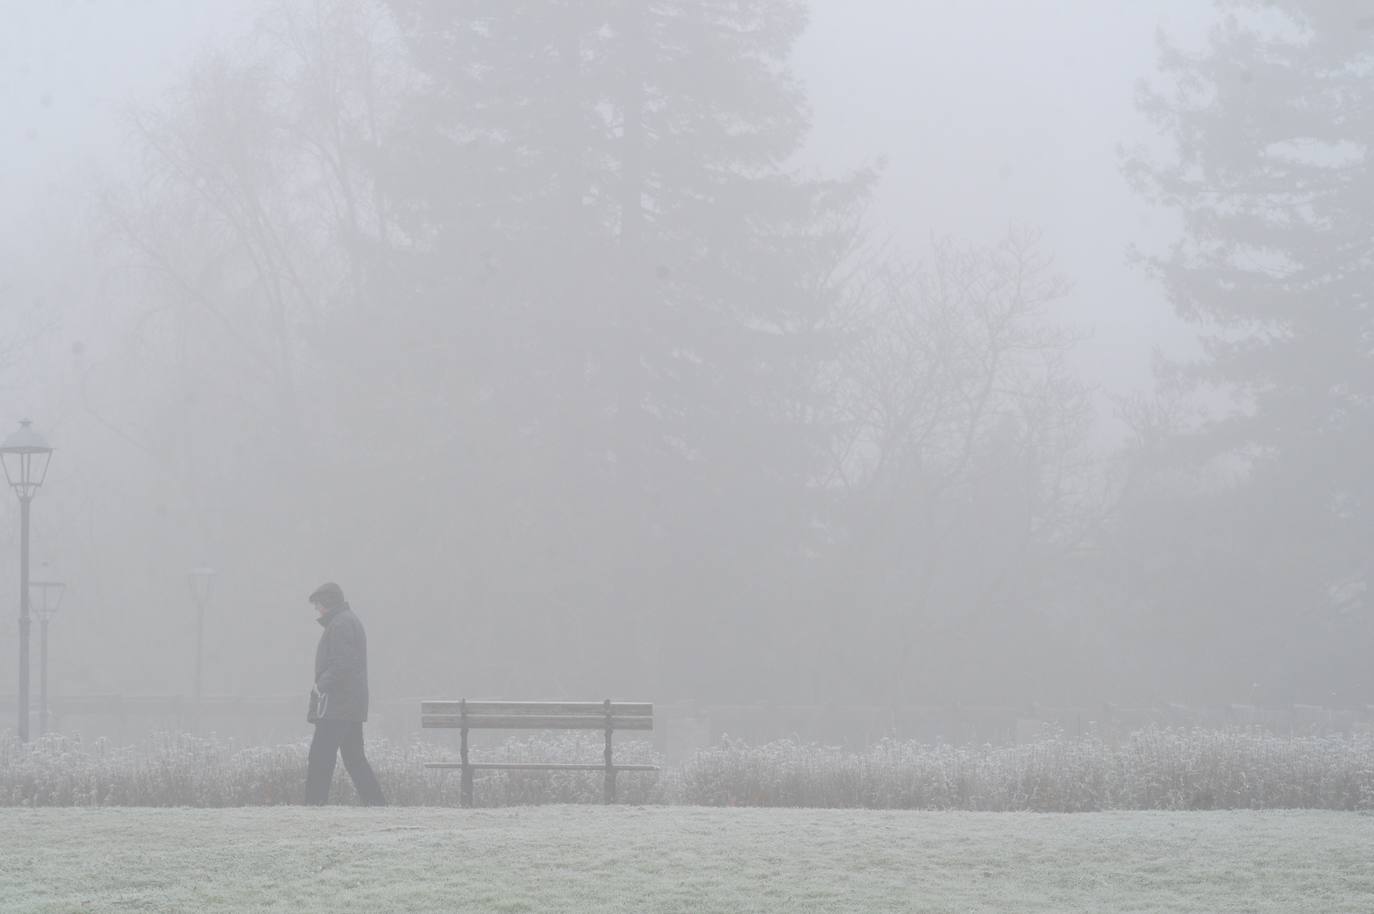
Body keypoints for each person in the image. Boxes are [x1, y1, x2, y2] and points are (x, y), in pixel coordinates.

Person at [304, 581, 386, 806]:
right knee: (354, 759)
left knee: (320, 757)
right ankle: (376, 803)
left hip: (337, 706)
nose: (317, 609)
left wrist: (321, 685)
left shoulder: (340, 625)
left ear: (328, 603)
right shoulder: (349, 621)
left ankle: (313, 804)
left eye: (318, 604)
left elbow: (342, 664)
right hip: (350, 705)